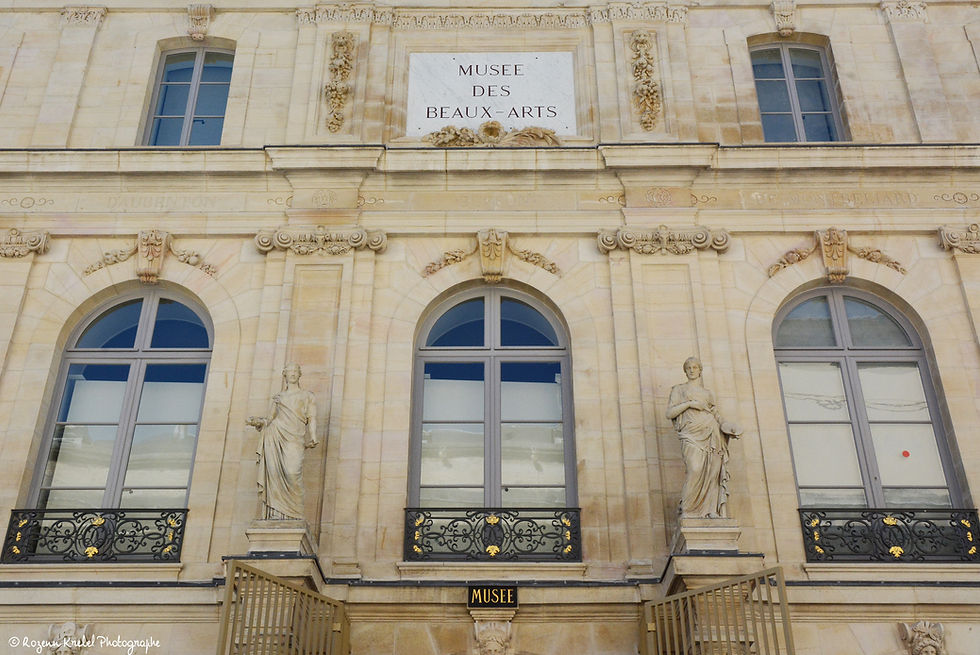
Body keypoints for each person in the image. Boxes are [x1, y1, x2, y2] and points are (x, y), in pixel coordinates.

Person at [666, 357, 741, 519]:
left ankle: (710, 509)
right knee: (695, 468)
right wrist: (689, 404)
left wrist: (728, 426)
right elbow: (670, 413)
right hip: (691, 434)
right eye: (688, 368)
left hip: (711, 433)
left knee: (712, 472)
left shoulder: (708, 393)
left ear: (700, 370)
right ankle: (688, 509)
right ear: (685, 371)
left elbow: (716, 415)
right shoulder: (678, 390)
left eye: (695, 367)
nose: (692, 370)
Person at [248, 364, 318, 520]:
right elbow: (269, 419)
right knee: (275, 473)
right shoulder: (278, 398)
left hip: (295, 438)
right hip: (275, 435)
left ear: (299, 374)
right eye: (289, 371)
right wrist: (258, 422)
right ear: (284, 375)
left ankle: (294, 514)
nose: (292, 374)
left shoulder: (307, 396)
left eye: (295, 371)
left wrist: (313, 436)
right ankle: (276, 514)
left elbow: (312, 417)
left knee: (292, 473)